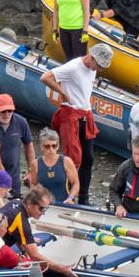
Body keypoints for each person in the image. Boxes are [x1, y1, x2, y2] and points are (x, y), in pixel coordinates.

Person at [42, 45, 111, 205]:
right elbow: (45, 77)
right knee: (72, 158)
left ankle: (84, 197)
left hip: (85, 114)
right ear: (92, 58)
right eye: (99, 65)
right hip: (71, 114)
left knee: (89, 158)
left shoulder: (92, 69)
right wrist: (64, 93)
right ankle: (65, 195)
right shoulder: (73, 67)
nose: (99, 69)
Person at [0, 93, 37, 187]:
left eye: (10, 111)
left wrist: (31, 171)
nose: (7, 114)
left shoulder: (21, 122)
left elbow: (28, 145)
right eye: (3, 111)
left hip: (13, 177)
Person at [33, 129, 79, 205]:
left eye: (54, 146)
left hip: (65, 204)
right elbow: (33, 184)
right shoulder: (35, 164)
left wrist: (71, 197)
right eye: (47, 146)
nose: (51, 149)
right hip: (44, 206)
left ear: (58, 146)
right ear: (41, 147)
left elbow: (75, 183)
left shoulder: (66, 161)